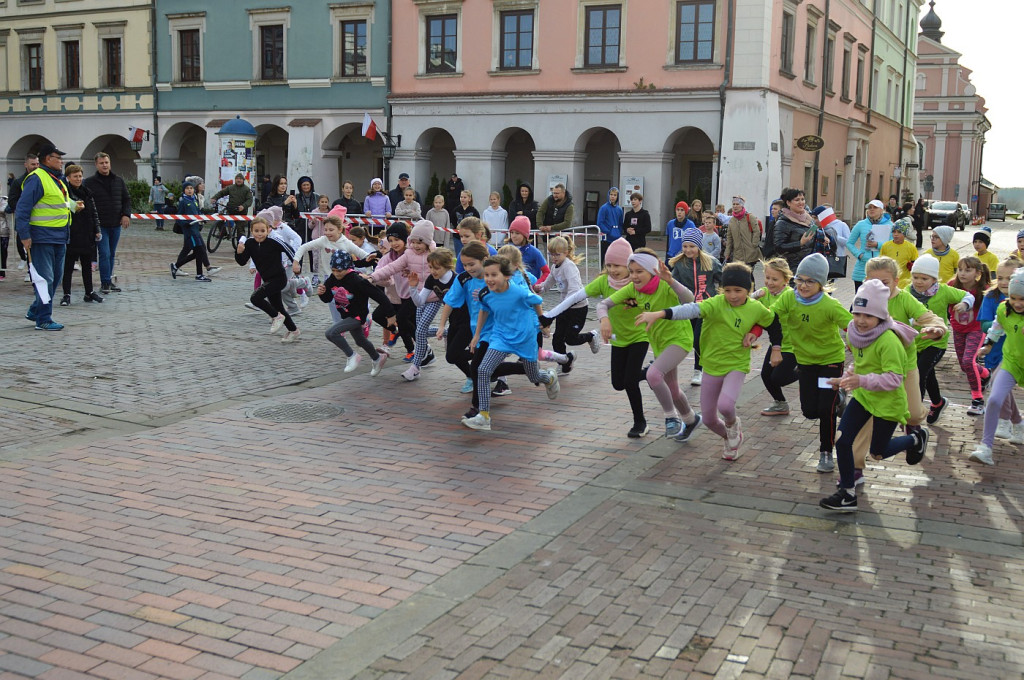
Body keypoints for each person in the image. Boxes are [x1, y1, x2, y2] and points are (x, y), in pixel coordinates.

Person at [636, 262, 781, 460]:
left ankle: (732, 424)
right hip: (711, 365)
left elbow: (773, 325)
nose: (732, 296)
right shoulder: (715, 304)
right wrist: (661, 314)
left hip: (736, 364)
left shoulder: (756, 308)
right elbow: (690, 309)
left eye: (738, 290)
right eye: (727, 290)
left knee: (726, 406)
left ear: (748, 290)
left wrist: (775, 348)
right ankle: (731, 437)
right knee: (710, 419)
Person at [819, 279, 928, 512]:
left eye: (867, 316)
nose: (860, 320)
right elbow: (859, 364)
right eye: (857, 313)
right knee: (842, 440)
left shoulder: (889, 341)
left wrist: (861, 380)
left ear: (880, 316)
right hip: (864, 397)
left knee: (878, 452)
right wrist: (847, 377)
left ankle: (915, 438)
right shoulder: (854, 333)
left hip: (888, 403)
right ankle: (847, 493)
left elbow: (894, 379)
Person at [599, 251, 701, 440]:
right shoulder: (633, 289)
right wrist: (604, 319)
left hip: (679, 339)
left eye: (639, 271)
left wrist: (671, 281)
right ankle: (691, 419)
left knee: (653, 374)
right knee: (673, 389)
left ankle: (671, 418)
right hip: (659, 343)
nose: (634, 276)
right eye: (631, 271)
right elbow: (602, 305)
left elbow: (689, 300)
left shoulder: (664, 284)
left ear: (652, 271)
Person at [766, 254, 853, 473]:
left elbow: (851, 326)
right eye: (800, 280)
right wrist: (751, 326)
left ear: (821, 284)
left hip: (830, 362)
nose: (803, 286)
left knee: (825, 409)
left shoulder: (830, 305)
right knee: (809, 412)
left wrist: (857, 343)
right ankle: (839, 397)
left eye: (810, 281)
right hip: (804, 362)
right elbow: (770, 317)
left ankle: (826, 452)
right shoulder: (788, 298)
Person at [462, 255, 560, 431]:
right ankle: (484, 416)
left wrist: (543, 323)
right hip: (500, 336)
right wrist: (476, 336)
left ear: (506, 276)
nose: (489, 279)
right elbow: (484, 311)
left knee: (533, 376)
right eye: (487, 275)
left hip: (525, 337)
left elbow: (537, 302)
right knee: (483, 370)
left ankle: (548, 376)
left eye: (494, 275)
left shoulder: (519, 292)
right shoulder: (485, 293)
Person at [16, 143, 77, 331]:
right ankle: (43, 319)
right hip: (42, 237)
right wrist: (24, 235)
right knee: (46, 279)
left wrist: (74, 206)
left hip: (59, 236)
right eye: (57, 158)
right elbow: (22, 209)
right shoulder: (37, 178)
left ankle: (36, 310)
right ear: (47, 159)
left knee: (55, 278)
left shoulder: (56, 179)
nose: (61, 161)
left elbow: (58, 202)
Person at [368, 221, 438, 369]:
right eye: (390, 240)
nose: (393, 243)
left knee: (408, 323)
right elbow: (387, 268)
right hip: (399, 296)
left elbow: (440, 269)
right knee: (390, 319)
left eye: (397, 240)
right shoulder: (394, 256)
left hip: (419, 296)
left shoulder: (419, 252)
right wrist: (372, 277)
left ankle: (422, 350)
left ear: (405, 239)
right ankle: (422, 351)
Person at [320, 249, 393, 376]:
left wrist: (391, 314)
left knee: (331, 333)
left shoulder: (357, 280)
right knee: (360, 340)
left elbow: (380, 297)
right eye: (333, 270)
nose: (336, 273)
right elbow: (327, 298)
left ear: (348, 268)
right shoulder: (332, 278)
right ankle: (377, 358)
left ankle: (352, 356)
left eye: (339, 271)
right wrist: (322, 293)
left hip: (358, 315)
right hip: (347, 314)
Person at [536, 235, 601, 367]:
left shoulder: (569, 267)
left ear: (566, 253)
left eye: (557, 255)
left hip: (578, 308)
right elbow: (548, 284)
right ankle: (565, 364)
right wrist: (539, 289)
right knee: (557, 339)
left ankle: (591, 336)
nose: (553, 258)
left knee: (571, 339)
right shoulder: (555, 267)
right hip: (564, 308)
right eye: (551, 254)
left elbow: (574, 291)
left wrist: (563, 304)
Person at [979, 257, 1024, 441]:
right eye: (1001, 278)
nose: (1004, 282)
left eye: (1009, 277)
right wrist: (1005, 326)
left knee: (1002, 390)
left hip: (1014, 353)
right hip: (1000, 353)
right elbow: (986, 324)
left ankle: (1015, 422)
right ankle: (1006, 422)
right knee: (999, 389)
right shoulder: (993, 298)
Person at [670, 228, 721, 388]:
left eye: (691, 246)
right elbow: (671, 284)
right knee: (691, 339)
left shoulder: (711, 262)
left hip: (706, 307)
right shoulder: (679, 264)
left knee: (698, 338)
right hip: (688, 307)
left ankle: (698, 371)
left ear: (699, 246)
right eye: (685, 246)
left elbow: (725, 280)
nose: (688, 250)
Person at [235, 215, 300, 342]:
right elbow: (242, 262)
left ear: (268, 230)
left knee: (255, 298)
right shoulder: (249, 243)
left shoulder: (274, 241)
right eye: (256, 231)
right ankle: (293, 330)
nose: (259, 234)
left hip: (279, 278)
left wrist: (296, 265)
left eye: (262, 231)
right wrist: (239, 252)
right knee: (279, 307)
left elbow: (290, 250)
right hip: (267, 279)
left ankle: (276, 317)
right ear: (252, 231)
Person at [404, 246, 457, 381]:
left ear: (447, 266)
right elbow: (419, 302)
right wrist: (412, 287)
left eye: (436, 268)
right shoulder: (431, 279)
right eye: (430, 267)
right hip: (449, 315)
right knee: (420, 331)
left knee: (456, 355)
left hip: (461, 316)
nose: (432, 271)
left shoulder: (456, 279)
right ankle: (415, 367)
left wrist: (442, 324)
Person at [753, 258, 797, 416]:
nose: (769, 282)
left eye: (774, 279)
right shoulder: (764, 293)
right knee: (766, 375)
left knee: (778, 378)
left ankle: (807, 371)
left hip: (793, 345)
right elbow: (748, 305)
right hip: (776, 343)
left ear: (786, 280)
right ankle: (781, 404)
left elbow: (767, 314)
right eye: (767, 278)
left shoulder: (791, 295)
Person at [949, 256, 991, 415]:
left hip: (976, 329)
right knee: (964, 365)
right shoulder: (952, 285)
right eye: (960, 269)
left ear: (977, 273)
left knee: (968, 360)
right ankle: (986, 374)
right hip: (958, 329)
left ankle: (977, 400)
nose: (962, 273)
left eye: (968, 270)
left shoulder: (984, 290)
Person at [84, 152, 131, 294]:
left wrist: (126, 214)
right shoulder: (90, 182)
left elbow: (126, 199)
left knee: (111, 253)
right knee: (104, 253)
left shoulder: (118, 180)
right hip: (100, 225)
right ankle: (104, 282)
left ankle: (108, 280)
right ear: (96, 164)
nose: (105, 165)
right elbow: (86, 202)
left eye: (106, 162)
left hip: (115, 223)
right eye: (101, 163)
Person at [60, 164, 103, 305]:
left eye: (80, 176)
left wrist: (97, 229)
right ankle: (66, 294)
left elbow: (94, 212)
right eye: (75, 176)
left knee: (86, 264)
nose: (78, 179)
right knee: (68, 266)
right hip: (71, 233)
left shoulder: (87, 192)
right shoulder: (64, 192)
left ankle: (89, 292)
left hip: (86, 232)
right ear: (68, 178)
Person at [169, 182, 215, 282]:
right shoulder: (183, 201)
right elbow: (178, 217)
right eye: (187, 188)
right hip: (189, 231)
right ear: (184, 190)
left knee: (200, 251)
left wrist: (203, 218)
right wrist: (185, 223)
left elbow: (198, 212)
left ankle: (198, 274)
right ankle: (176, 266)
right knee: (199, 251)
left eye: (191, 188)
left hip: (196, 230)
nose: (189, 190)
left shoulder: (194, 200)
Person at [5, 153, 39, 278]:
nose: (35, 166)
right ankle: (30, 270)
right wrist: (24, 207)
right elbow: (12, 201)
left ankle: (34, 271)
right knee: (24, 247)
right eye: (33, 164)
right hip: (24, 221)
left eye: (37, 164)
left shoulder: (42, 179)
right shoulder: (18, 182)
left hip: (40, 222)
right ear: (26, 165)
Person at [847, 199, 893, 292]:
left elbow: (892, 244)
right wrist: (859, 255)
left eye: (875, 207)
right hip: (863, 268)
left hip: (881, 266)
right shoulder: (861, 224)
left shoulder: (890, 225)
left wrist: (878, 245)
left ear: (881, 210)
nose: (871, 210)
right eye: (870, 207)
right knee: (860, 300)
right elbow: (849, 243)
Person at [773, 188, 815, 272]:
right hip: (792, 267)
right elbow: (779, 247)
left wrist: (823, 237)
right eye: (797, 200)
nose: (801, 202)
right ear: (788, 203)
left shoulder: (809, 218)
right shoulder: (783, 222)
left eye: (802, 199)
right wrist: (800, 243)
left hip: (809, 264)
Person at [724, 196, 762, 270]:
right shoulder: (732, 220)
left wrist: (754, 245)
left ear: (742, 205)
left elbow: (756, 231)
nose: (735, 206)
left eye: (737, 204)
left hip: (752, 255)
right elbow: (729, 237)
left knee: (756, 278)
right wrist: (727, 252)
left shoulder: (750, 217)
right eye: (733, 204)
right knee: (741, 278)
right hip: (738, 255)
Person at [879, 217, 919, 288]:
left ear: (905, 234)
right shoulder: (886, 246)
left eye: (899, 232)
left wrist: (911, 266)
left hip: (905, 283)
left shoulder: (911, 247)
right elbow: (881, 262)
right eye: (894, 232)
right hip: (889, 282)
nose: (896, 234)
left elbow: (915, 264)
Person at [596, 187, 624, 263]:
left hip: (616, 238)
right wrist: (608, 231)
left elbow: (620, 222)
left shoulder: (619, 209)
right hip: (606, 238)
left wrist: (619, 232)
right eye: (611, 194)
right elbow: (600, 222)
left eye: (615, 195)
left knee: (614, 259)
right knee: (604, 259)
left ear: (617, 196)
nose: (612, 196)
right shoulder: (604, 208)